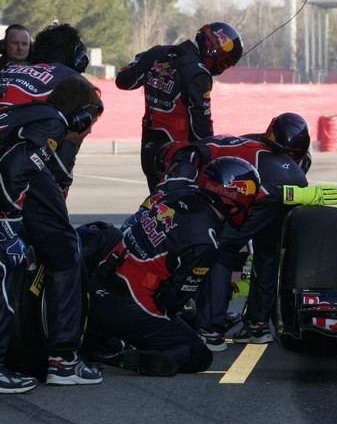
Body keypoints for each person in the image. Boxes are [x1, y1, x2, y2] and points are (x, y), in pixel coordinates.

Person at [161, 113, 337, 350]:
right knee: (268, 254)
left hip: (265, 191)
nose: (289, 156)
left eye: (293, 153)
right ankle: (258, 325)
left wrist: (284, 194)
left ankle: (210, 329)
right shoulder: (300, 159)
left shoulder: (195, 152)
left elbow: (231, 191)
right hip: (283, 191)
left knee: (220, 249)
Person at [81, 157, 261, 377]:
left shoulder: (176, 197)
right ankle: (133, 356)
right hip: (129, 305)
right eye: (249, 196)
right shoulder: (205, 242)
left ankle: (99, 339)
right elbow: (171, 300)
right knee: (200, 354)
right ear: (232, 195)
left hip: (100, 281)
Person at [0, 74, 104, 386]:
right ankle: (64, 359)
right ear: (81, 116)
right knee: (65, 251)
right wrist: (9, 220)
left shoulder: (23, 112)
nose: (89, 130)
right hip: (9, 204)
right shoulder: (53, 123)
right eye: (91, 122)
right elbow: (15, 170)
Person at [116, 22, 243, 192]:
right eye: (225, 62)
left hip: (149, 148)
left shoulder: (156, 53)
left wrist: (141, 61)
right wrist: (210, 154)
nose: (222, 68)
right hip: (179, 154)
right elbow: (201, 125)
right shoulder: (198, 73)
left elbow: (123, 81)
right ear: (214, 50)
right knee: (181, 206)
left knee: (157, 199)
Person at [1, 22, 93, 196]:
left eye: (24, 44)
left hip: (13, 148)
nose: (20, 48)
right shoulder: (72, 80)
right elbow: (94, 108)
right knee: (63, 123)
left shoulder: (8, 70)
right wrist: (63, 183)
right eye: (14, 43)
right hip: (21, 172)